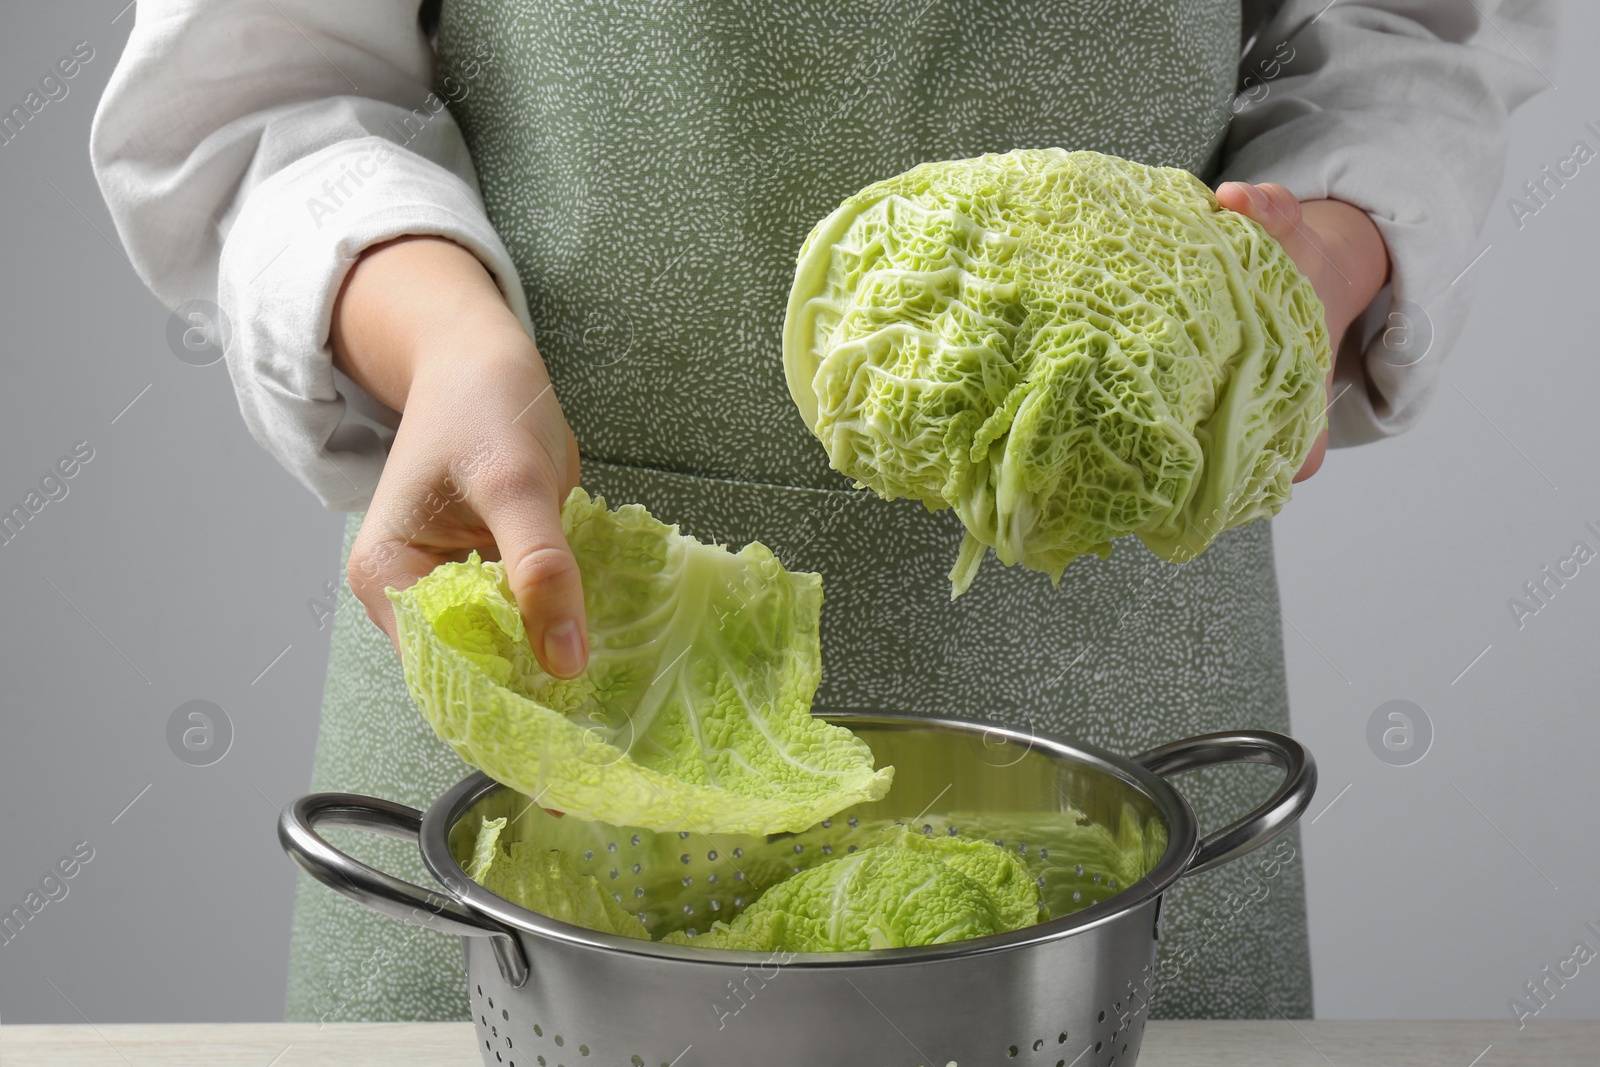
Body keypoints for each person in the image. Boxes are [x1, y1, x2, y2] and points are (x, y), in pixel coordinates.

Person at [92, 0, 1553, 1022]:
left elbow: (1409, 32)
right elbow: (264, 87)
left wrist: (1312, 264)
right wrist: (449, 350)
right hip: (555, 647)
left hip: (1119, 674)